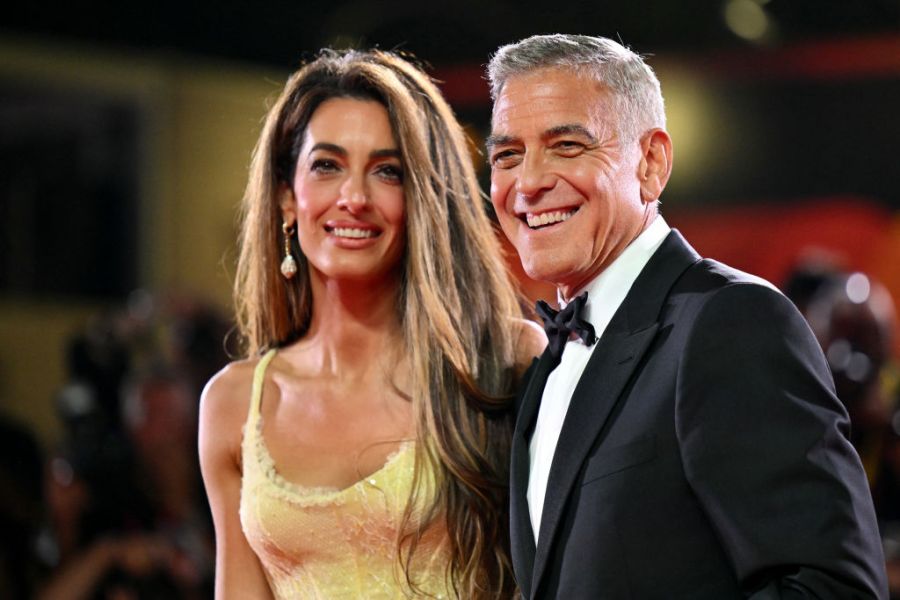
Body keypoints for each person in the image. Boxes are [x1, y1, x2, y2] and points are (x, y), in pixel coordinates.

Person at [485, 34, 888, 599]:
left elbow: (830, 588)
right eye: (507, 155)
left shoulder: (731, 323)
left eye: (567, 146)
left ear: (650, 163)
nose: (528, 183)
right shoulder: (548, 364)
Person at [199, 48, 545, 599]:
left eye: (387, 171)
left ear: (422, 197)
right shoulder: (235, 404)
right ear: (287, 197)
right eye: (327, 165)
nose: (355, 198)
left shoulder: (505, 360)